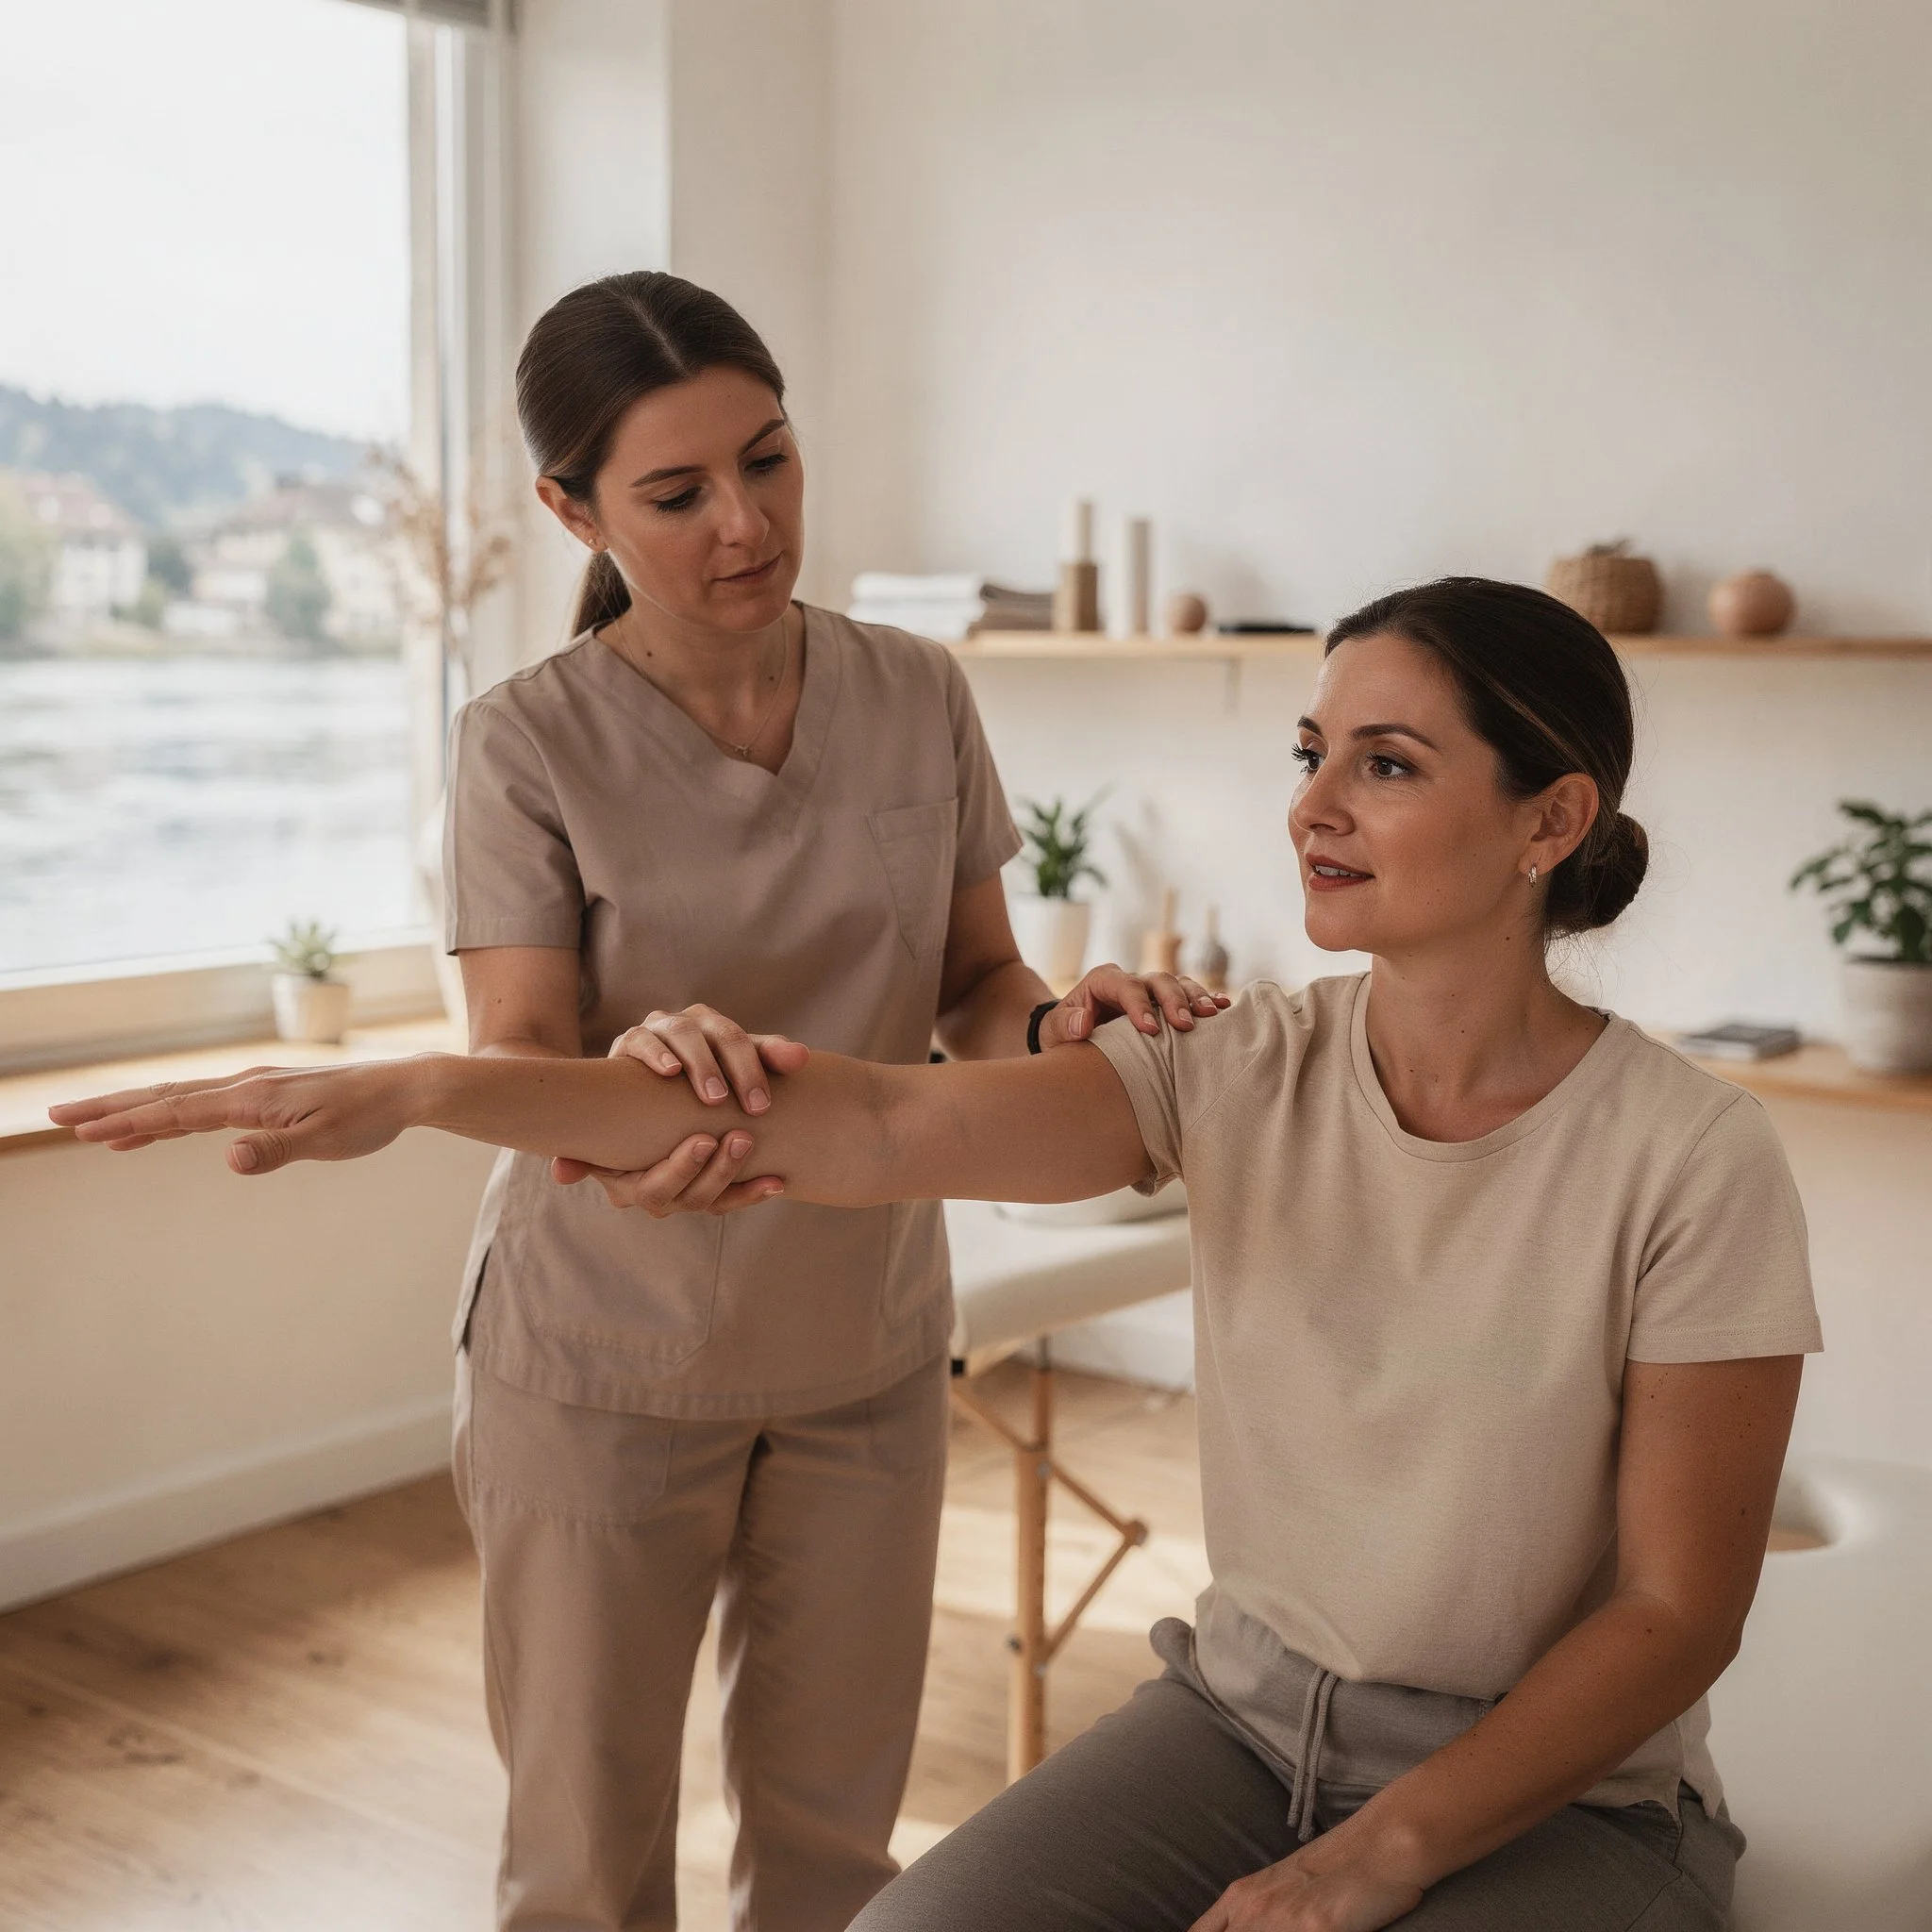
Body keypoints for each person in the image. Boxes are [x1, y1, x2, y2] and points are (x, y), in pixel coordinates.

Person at [57, 577, 1821, 1932]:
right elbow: (878, 1124)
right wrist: (424, 1090)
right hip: (1237, 1725)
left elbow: (1678, 1614)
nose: (1314, 807)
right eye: (1311, 755)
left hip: (1563, 1803)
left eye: (1388, 765)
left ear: (1550, 822)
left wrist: (1379, 1856)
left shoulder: (1691, 1159)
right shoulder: (1238, 1064)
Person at [418, 269, 1224, 1931]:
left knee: (836, 1859)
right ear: (575, 511)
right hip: (604, 1359)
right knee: (583, 1869)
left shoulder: (916, 690)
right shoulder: (524, 744)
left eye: (769, 460)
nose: (748, 522)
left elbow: (976, 983)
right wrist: (626, 1100)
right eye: (677, 493)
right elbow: (518, 1059)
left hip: (864, 1342)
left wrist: (1065, 1024)